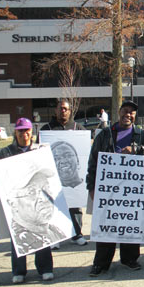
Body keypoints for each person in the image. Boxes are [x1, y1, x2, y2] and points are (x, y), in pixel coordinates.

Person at [86, 100, 144, 277]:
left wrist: (136, 149)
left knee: (130, 224)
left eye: (132, 112)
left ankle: (129, 259)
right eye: (125, 111)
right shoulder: (105, 134)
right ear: (119, 112)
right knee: (106, 227)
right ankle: (101, 263)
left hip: (133, 192)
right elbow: (93, 161)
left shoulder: (141, 134)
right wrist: (91, 187)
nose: (128, 115)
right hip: (107, 191)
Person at [0, 117, 55, 283]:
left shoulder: (40, 150)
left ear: (32, 132)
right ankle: (19, 271)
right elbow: (0, 177)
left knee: (43, 234)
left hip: (39, 200)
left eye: (27, 130)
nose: (24, 133)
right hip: (18, 201)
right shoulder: (6, 152)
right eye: (20, 130)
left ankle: (45, 268)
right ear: (15, 132)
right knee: (17, 235)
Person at [40, 100, 88, 248]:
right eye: (61, 108)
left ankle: (76, 234)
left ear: (70, 111)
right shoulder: (46, 129)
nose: (63, 111)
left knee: (74, 207)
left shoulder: (78, 128)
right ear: (56, 110)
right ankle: (55, 237)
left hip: (72, 179)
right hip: (52, 177)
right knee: (53, 206)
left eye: (66, 109)